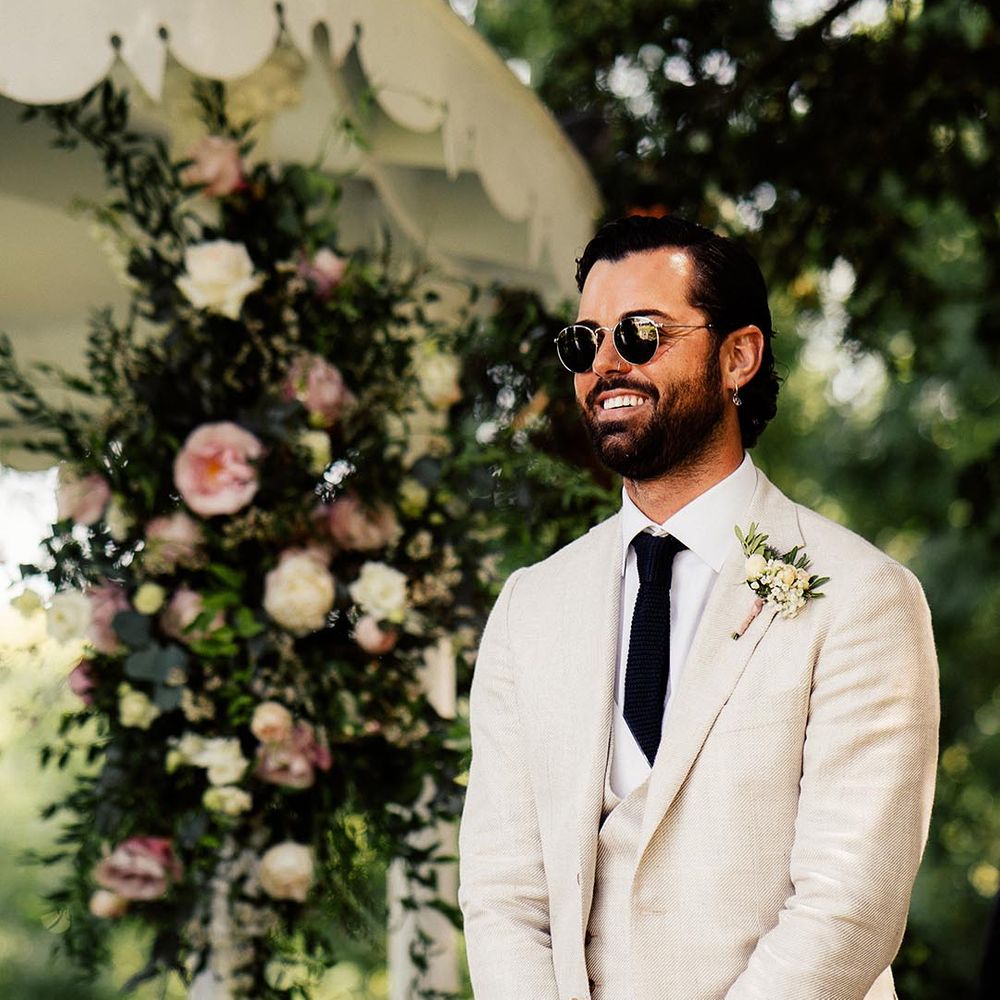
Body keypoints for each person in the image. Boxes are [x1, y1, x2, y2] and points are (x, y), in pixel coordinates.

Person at [458, 214, 940, 1000]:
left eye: (641, 334)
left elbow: (849, 909)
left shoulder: (864, 597)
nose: (605, 363)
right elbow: (504, 893)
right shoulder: (528, 608)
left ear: (738, 356)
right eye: (585, 342)